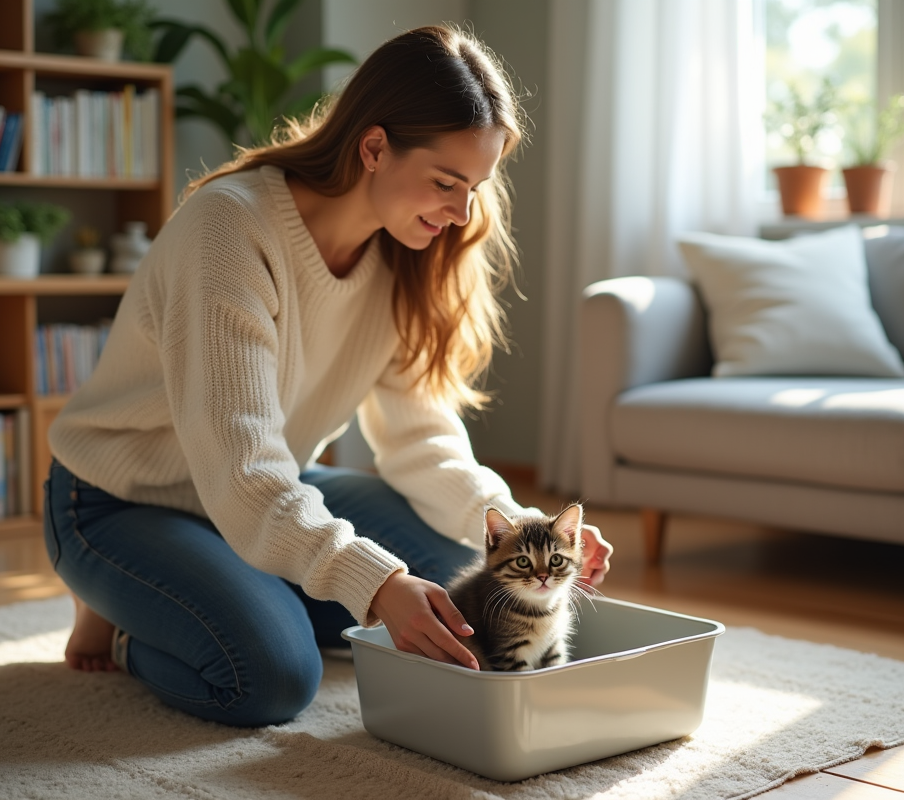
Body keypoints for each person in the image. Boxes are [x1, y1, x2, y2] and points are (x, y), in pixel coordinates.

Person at [43, 24, 613, 728]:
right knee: (272, 674)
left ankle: (248, 586)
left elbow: (420, 442)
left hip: (271, 488)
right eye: (446, 182)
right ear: (373, 148)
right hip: (122, 500)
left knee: (471, 579)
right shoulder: (229, 230)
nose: (464, 212)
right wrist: (373, 584)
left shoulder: (408, 255)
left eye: (476, 186)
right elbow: (242, 472)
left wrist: (526, 529)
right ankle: (128, 622)